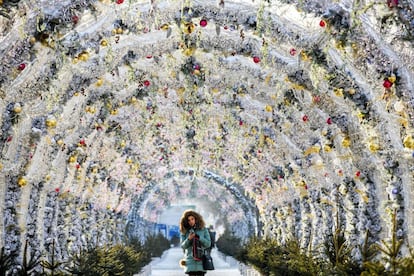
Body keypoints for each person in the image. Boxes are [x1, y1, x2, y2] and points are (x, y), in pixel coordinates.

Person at [179, 209, 211, 276]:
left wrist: (199, 238)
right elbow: (183, 246)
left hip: (201, 262)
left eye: (192, 219)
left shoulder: (203, 229)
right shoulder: (184, 231)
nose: (191, 221)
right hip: (190, 262)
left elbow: (208, 244)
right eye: (188, 220)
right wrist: (189, 239)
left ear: (196, 219)